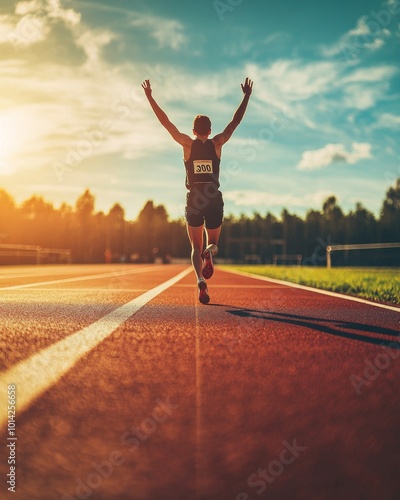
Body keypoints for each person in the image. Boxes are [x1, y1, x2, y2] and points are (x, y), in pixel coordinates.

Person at [141, 77, 253, 304]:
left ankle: (200, 279)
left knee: (194, 246)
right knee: (213, 243)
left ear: (193, 130)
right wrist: (246, 97)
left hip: (194, 198)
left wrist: (150, 97)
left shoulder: (187, 144)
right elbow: (235, 122)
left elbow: (166, 123)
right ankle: (210, 252)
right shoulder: (218, 142)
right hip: (213, 197)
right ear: (210, 130)